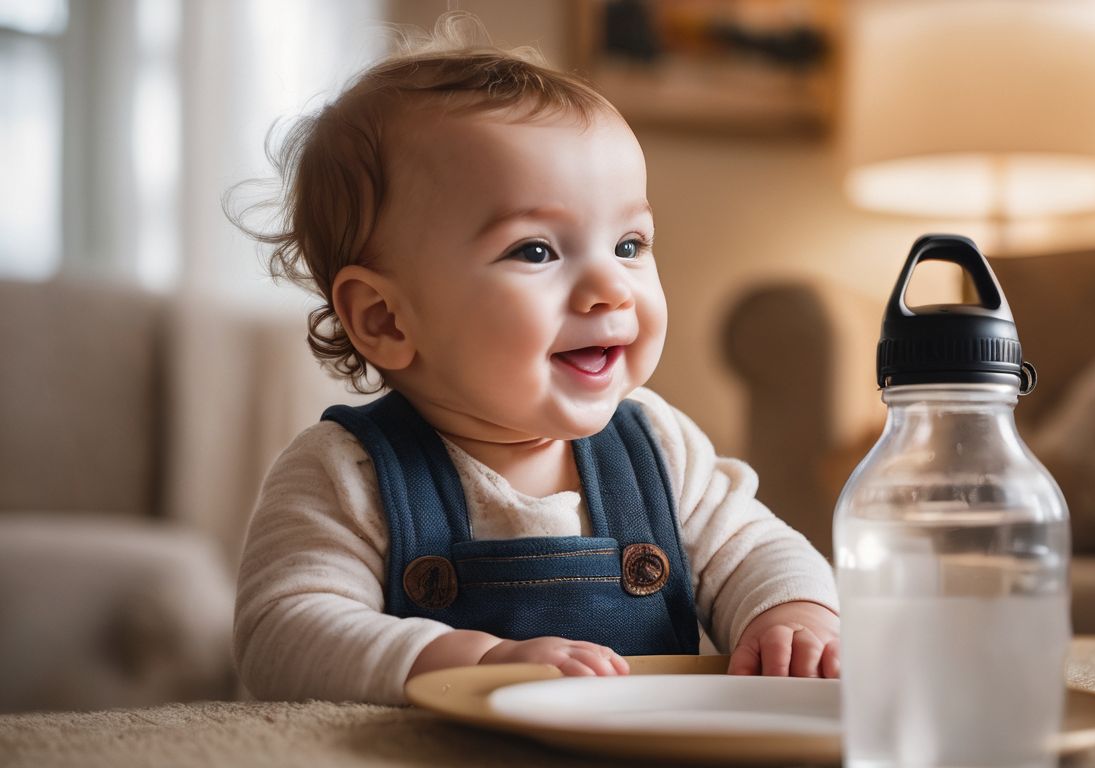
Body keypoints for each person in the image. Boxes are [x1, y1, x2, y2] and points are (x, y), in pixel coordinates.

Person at [231, 14, 838, 706]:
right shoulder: (347, 474)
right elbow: (282, 633)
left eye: (630, 245)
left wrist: (792, 615)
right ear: (385, 318)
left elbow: (757, 551)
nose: (611, 286)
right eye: (536, 251)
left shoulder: (660, 448)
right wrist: (469, 658)